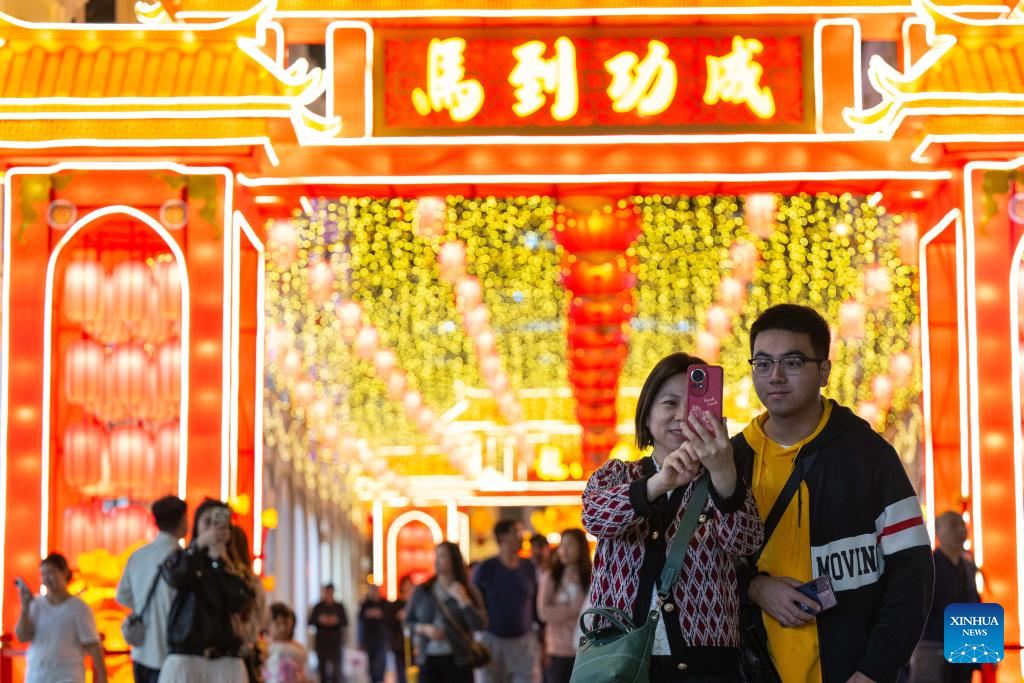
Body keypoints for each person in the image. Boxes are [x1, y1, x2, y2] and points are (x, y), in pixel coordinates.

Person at [734, 304, 934, 683]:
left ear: (823, 370)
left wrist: (873, 670)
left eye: (792, 362)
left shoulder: (869, 456)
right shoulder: (733, 460)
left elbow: (913, 574)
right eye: (763, 363)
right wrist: (755, 587)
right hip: (755, 668)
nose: (775, 376)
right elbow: (704, 568)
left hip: (850, 671)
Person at [582, 351, 764, 681]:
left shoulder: (725, 481)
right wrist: (659, 483)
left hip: (706, 662)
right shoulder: (618, 475)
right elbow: (595, 516)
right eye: (669, 403)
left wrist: (723, 471)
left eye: (694, 405)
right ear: (647, 414)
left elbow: (745, 541)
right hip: (618, 656)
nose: (683, 415)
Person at [158, 498, 255, 683]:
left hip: (225, 662)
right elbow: (174, 577)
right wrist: (198, 545)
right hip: (187, 659)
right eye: (207, 521)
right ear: (196, 525)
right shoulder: (184, 557)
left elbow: (240, 603)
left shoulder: (234, 566)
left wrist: (221, 561)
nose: (212, 528)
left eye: (218, 523)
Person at [116, 496, 188, 683]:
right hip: (175, 653)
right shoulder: (185, 560)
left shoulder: (138, 556)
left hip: (142, 652)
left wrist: (141, 604)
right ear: (182, 522)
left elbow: (122, 596)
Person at [15, 552, 109, 683]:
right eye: (43, 574)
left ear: (64, 573)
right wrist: (24, 610)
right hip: (37, 674)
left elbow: (93, 644)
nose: (47, 578)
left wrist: (102, 676)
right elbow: (22, 637)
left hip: (68, 675)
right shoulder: (35, 604)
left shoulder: (79, 607)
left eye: (51, 573)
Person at [909, 512, 979, 683]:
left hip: (965, 654)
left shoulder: (969, 566)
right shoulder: (928, 566)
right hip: (934, 654)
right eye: (953, 525)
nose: (961, 530)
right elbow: (920, 614)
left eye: (963, 525)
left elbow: (976, 607)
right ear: (938, 531)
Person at [405, 541, 487, 683]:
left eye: (443, 556)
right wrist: (425, 629)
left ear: (454, 560)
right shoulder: (423, 590)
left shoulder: (468, 590)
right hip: (429, 659)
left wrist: (465, 601)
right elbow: (407, 622)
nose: (437, 560)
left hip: (460, 660)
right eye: (436, 555)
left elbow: (480, 625)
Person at [472, 520, 539, 683]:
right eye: (517, 532)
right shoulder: (487, 568)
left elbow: (534, 603)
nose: (522, 537)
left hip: (524, 643)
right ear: (503, 537)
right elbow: (475, 599)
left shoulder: (528, 567)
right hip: (493, 641)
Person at [536, 529, 591, 683]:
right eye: (562, 545)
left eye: (570, 545)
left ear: (581, 547)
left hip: (586, 649)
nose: (564, 550)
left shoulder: (590, 576)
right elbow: (543, 613)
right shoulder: (551, 577)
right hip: (558, 650)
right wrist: (573, 609)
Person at [226, 524, 269, 682]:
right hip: (245, 654)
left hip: (229, 657)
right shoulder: (253, 581)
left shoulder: (227, 581)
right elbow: (263, 620)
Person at [309, 583, 349, 683]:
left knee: (336, 672)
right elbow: (310, 622)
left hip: (335, 642)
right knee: (322, 671)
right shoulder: (318, 607)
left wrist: (335, 621)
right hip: (321, 642)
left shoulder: (339, 607)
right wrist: (320, 620)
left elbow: (345, 622)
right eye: (327, 592)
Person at [262, 602, 310, 683]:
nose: (282, 628)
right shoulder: (263, 646)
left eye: (286, 623)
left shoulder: (297, 648)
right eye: (278, 624)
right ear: (268, 624)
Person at [358, 584, 391, 683]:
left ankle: (380, 679)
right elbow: (360, 621)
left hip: (382, 638)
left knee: (381, 662)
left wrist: (376, 613)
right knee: (371, 663)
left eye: (375, 590)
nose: (374, 593)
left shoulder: (384, 603)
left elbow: (388, 617)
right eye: (372, 591)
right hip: (369, 639)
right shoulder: (365, 604)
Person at [389, 575, 415, 683]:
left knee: (414, 672)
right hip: (399, 644)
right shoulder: (395, 605)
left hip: (414, 645)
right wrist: (397, 617)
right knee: (401, 674)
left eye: (410, 585)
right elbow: (389, 624)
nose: (407, 588)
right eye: (405, 585)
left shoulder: (415, 604)